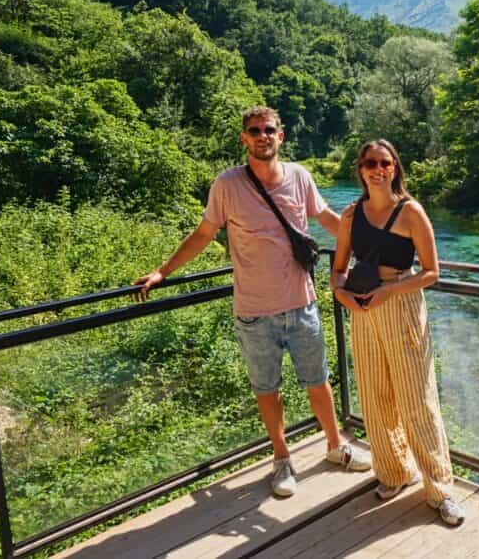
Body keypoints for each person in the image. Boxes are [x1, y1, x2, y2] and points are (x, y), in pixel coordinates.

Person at [134, 106, 370, 497]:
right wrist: (163, 271)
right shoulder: (226, 186)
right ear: (244, 138)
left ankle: (335, 446)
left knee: (319, 382)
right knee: (267, 389)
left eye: (269, 130)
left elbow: (326, 217)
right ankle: (282, 460)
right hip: (254, 312)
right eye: (254, 130)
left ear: (281, 136)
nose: (262, 136)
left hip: (302, 302)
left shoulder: (299, 176)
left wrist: (368, 247)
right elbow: (204, 233)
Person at [330, 139, 465, 526]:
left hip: (402, 304)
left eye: (385, 163)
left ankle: (440, 490)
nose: (378, 169)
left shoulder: (411, 212)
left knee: (416, 399)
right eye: (370, 162)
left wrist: (389, 290)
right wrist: (342, 294)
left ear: (395, 168)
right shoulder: (351, 215)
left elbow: (432, 272)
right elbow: (338, 267)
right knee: (374, 394)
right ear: (360, 168)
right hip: (363, 310)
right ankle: (393, 472)